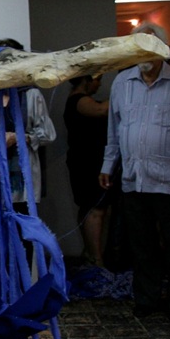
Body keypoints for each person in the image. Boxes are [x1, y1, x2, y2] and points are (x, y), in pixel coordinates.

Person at [100, 23, 170, 321]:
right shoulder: (122, 83)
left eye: (149, 46)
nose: (143, 53)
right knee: (141, 244)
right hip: (135, 178)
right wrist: (108, 165)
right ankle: (146, 298)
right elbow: (115, 130)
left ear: (162, 49)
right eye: (137, 47)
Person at [0, 38, 57, 214]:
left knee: (24, 224)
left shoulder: (31, 95)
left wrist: (19, 137)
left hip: (22, 178)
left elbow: (48, 134)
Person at [64, 74, 111, 267]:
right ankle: (96, 258)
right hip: (87, 162)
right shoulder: (78, 100)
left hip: (89, 161)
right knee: (94, 208)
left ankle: (90, 254)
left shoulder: (81, 100)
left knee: (89, 207)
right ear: (87, 80)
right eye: (97, 79)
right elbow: (101, 110)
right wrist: (124, 92)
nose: (99, 84)